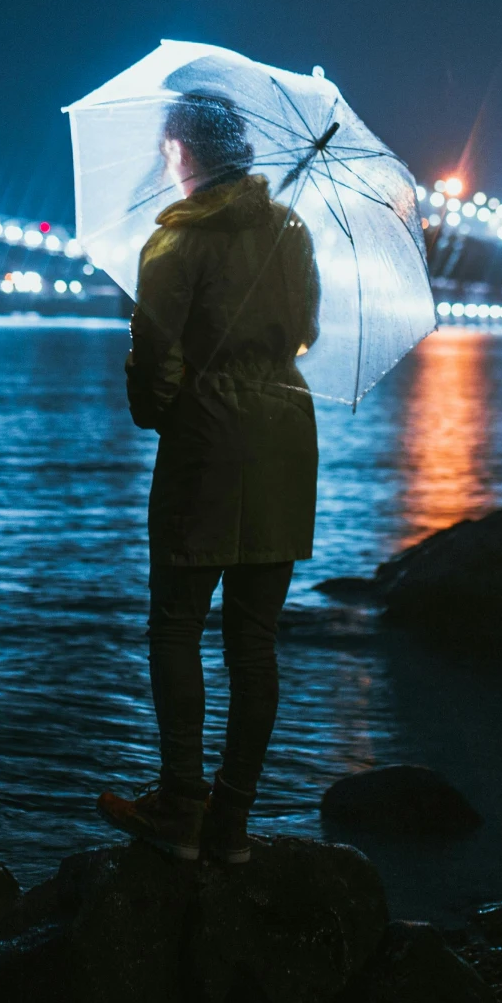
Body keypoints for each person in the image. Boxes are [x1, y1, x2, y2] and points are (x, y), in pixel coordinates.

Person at [97, 91, 322, 864]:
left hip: (208, 444)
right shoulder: (292, 233)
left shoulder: (173, 245)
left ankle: (180, 807)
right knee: (254, 644)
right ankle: (231, 822)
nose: (165, 161)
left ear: (186, 153)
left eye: (168, 149)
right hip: (288, 440)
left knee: (176, 625)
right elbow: (306, 333)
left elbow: (155, 368)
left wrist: (152, 394)